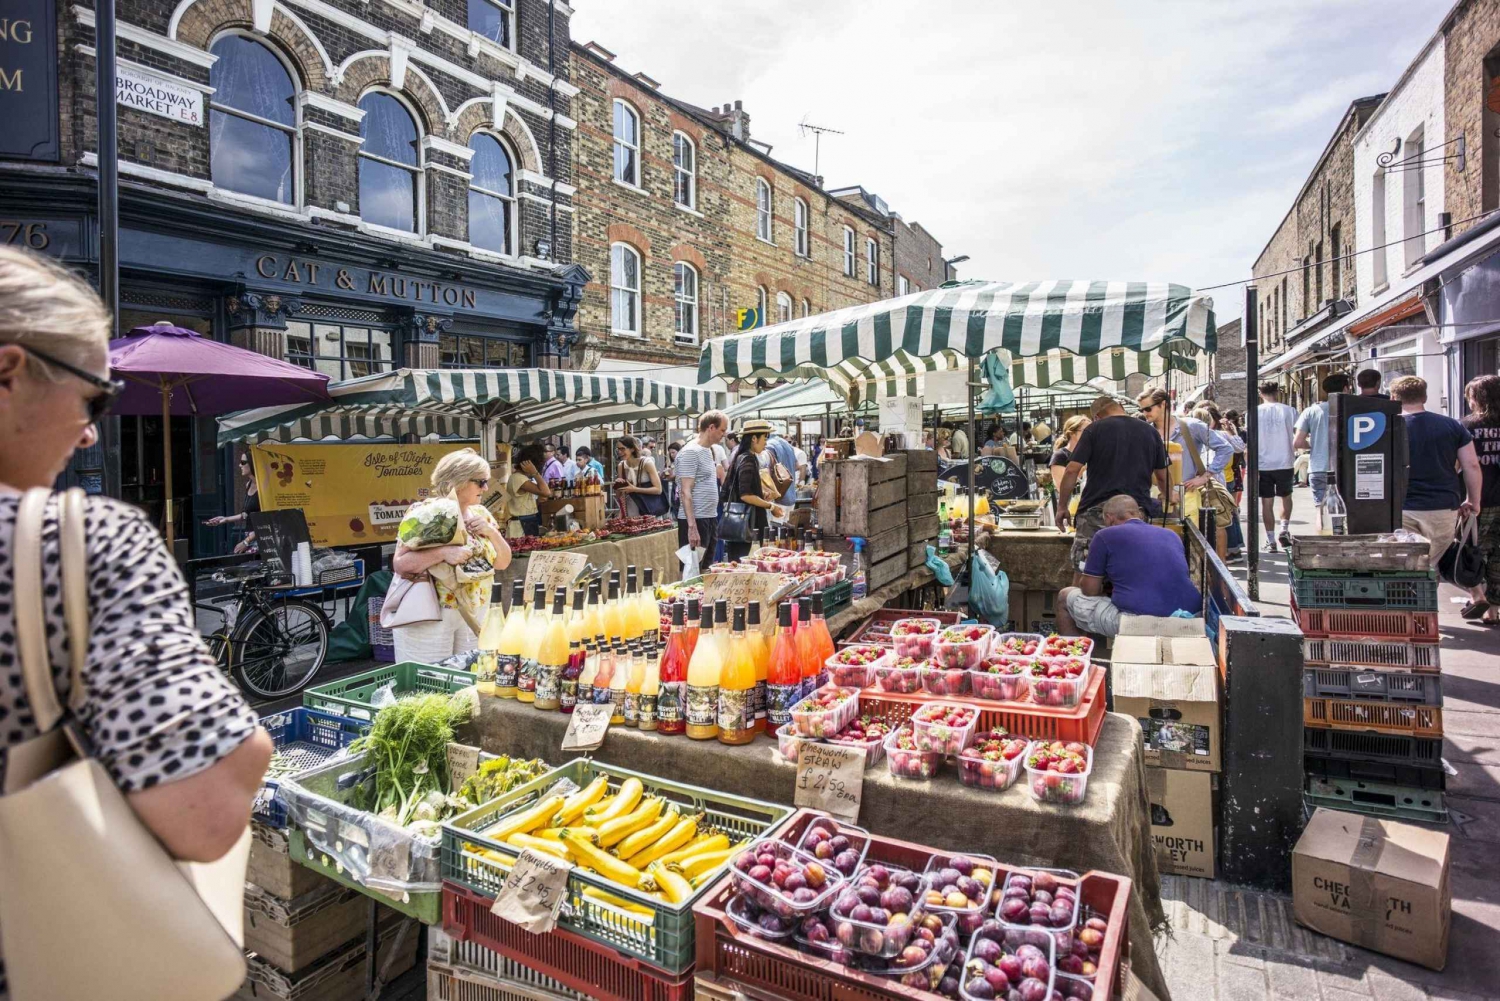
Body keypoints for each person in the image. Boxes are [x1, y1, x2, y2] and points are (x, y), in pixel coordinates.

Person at [0, 246, 273, 900]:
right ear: (9, 372)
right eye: (95, 400)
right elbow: (206, 806)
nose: (93, 433)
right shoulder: (80, 542)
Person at [391, 448, 510, 662]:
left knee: (470, 680)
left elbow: (502, 562)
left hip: (474, 613)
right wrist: (443, 552)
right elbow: (400, 563)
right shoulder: (425, 512)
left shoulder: (482, 514)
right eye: (480, 482)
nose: (485, 488)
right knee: (430, 681)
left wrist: (491, 532)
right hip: (431, 612)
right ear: (458, 480)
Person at [1055, 495, 1202, 638]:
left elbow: (1090, 591)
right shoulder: (1171, 535)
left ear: (1109, 517)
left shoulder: (1103, 535)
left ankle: (1073, 658)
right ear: (1139, 514)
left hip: (1138, 622)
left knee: (1064, 596)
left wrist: (1088, 575)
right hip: (1189, 616)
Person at [1054, 396, 1170, 572]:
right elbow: (1163, 476)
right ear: (1121, 407)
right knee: (1128, 570)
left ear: (1096, 417)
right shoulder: (1150, 431)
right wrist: (1169, 497)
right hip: (1134, 511)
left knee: (1086, 570)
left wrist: (1062, 506)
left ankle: (1087, 598)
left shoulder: (1094, 430)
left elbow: (1071, 470)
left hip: (1096, 511)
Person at [1392, 375, 1482, 564]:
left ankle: (1410, 592)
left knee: (1407, 565)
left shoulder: (1388, 427)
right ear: (1424, 397)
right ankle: (1428, 591)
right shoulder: (1452, 425)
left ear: (1394, 397)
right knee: (1431, 564)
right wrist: (1473, 501)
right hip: (1443, 507)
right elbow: (1471, 465)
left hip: (1402, 508)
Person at [1137, 388, 1233, 490]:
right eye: (1141, 410)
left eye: (1148, 409)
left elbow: (1225, 448)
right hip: (1155, 494)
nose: (1144, 413)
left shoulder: (1192, 426)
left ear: (1164, 404)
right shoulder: (1145, 432)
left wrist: (1205, 476)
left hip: (1187, 494)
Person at [1461, 375, 1500, 623]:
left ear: (1475, 399)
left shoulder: (1466, 426)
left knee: (1472, 551)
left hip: (1480, 499)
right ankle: (1494, 609)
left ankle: (1478, 595)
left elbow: (1459, 465)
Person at [1293, 373, 1350, 531]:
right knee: (1344, 512)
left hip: (1318, 468)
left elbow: (1297, 442)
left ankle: (1323, 544)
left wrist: (1316, 445)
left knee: (1321, 510)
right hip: (1345, 468)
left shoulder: (1311, 411)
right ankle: (1340, 539)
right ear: (1346, 388)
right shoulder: (1351, 408)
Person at [723, 419, 787, 560]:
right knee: (747, 564)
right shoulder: (748, 459)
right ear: (754, 438)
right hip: (748, 525)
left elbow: (745, 490)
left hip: (742, 524)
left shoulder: (742, 457)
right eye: (764, 438)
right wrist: (771, 506)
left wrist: (760, 493)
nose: (766, 442)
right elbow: (745, 495)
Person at [677, 411, 727, 563]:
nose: (724, 434)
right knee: (692, 570)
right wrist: (692, 527)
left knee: (705, 567)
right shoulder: (690, 451)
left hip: (709, 516)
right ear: (711, 427)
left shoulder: (708, 450)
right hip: (696, 519)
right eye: (722, 430)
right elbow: (685, 492)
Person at [1255, 381, 1299, 552]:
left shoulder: (1255, 412)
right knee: (1286, 497)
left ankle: (1271, 540)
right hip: (1285, 460)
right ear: (1277, 392)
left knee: (1267, 502)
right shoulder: (1290, 410)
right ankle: (1284, 529)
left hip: (1263, 462)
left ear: (1260, 394)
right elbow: (1298, 434)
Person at [204, 451, 261, 553]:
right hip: (249, 536)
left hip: (260, 539)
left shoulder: (263, 488)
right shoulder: (248, 484)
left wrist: (246, 542)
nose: (239, 465)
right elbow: (246, 515)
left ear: (253, 463)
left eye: (243, 462)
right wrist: (225, 519)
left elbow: (267, 520)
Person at [506, 443, 552, 536]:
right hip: (520, 526)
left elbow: (525, 503)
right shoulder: (518, 478)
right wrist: (535, 472)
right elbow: (546, 492)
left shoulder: (522, 478)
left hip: (527, 522)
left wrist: (538, 501)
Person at [613, 434, 663, 517]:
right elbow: (619, 495)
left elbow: (658, 490)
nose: (619, 452)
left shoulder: (647, 463)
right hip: (630, 511)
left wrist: (635, 489)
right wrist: (618, 485)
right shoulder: (621, 466)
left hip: (649, 509)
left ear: (632, 449)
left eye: (622, 449)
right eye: (618, 449)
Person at [1047, 416, 1091, 507]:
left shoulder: (1091, 453)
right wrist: (1081, 469)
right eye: (1086, 431)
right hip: (1071, 506)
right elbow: (1060, 487)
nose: (1090, 434)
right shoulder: (1060, 456)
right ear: (1072, 433)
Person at [765, 429, 799, 511]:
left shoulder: (769, 446)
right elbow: (797, 466)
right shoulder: (787, 444)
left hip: (778, 500)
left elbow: (767, 472)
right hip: (791, 497)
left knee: (775, 524)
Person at [661, 439, 682, 514]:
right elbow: (666, 476)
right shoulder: (670, 463)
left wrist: (672, 476)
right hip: (671, 488)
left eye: (673, 452)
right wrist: (664, 474)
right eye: (670, 453)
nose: (672, 455)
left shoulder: (682, 462)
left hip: (678, 488)